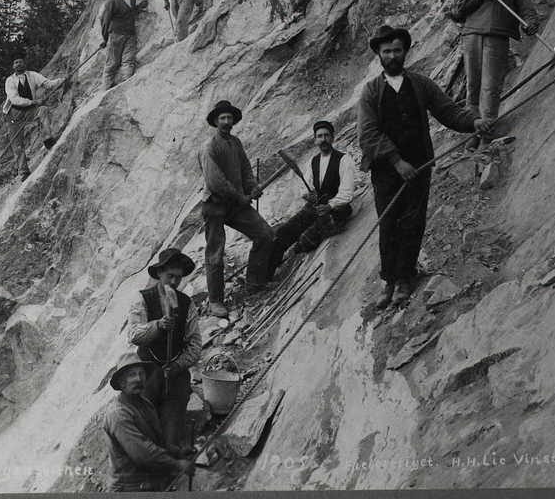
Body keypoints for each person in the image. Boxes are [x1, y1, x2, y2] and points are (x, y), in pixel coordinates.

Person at [357, 26, 493, 309]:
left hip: (419, 165)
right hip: (386, 170)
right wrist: (396, 161)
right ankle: (389, 280)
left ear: (405, 51)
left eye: (397, 50)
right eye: (386, 51)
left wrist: (473, 123)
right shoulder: (371, 91)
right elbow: (367, 134)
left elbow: (448, 110)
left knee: (413, 221)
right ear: (378, 56)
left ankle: (405, 278)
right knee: (389, 222)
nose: (392, 56)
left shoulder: (420, 83)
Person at [449, 0, 539, 144]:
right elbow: (460, 6)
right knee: (473, 85)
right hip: (472, 34)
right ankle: (473, 132)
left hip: (497, 35)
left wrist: (531, 22)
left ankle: (487, 134)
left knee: (490, 86)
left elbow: (526, 7)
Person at [198, 99, 274, 318]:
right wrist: (239, 196)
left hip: (236, 204)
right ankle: (215, 302)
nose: (226, 122)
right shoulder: (209, 146)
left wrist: (253, 186)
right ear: (215, 121)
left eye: (229, 118)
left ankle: (254, 285)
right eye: (222, 118)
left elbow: (245, 168)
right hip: (214, 205)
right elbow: (215, 182)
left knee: (266, 234)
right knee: (216, 253)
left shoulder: (236, 143)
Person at [128, 248, 202, 447]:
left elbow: (195, 344)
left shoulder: (187, 303)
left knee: (171, 435)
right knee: (144, 426)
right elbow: (134, 335)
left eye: (178, 278)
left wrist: (179, 365)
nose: (174, 282)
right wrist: (158, 325)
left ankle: (171, 452)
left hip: (173, 373)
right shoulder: (142, 298)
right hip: (146, 370)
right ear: (159, 273)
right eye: (170, 276)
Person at [267, 120, 358, 279]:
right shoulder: (313, 161)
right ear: (315, 139)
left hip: (336, 211)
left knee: (305, 240)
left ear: (332, 138)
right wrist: (307, 195)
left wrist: (330, 206)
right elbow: (305, 187)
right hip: (313, 209)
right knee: (282, 232)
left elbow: (347, 192)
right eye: (320, 136)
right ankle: (266, 276)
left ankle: (300, 246)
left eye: (326, 136)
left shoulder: (344, 160)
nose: (323, 139)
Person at [101, 352, 195, 492]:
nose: (138, 379)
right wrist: (177, 465)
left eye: (142, 374)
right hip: (128, 489)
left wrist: (177, 452)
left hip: (148, 484)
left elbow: (157, 442)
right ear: (122, 383)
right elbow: (143, 454)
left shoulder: (145, 404)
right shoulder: (118, 414)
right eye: (132, 375)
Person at [1, 52, 66, 181]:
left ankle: (48, 139)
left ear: (24, 63)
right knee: (17, 144)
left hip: (29, 110)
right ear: (13, 66)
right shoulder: (10, 80)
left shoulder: (33, 76)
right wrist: (33, 102)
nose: (18, 64)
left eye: (20, 61)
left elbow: (48, 84)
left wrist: (62, 80)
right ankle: (23, 171)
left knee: (43, 110)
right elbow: (14, 99)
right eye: (15, 62)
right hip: (13, 114)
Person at [100, 0, 140, 91]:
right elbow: (105, 20)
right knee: (112, 64)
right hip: (116, 35)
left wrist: (139, 7)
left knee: (128, 62)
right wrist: (105, 38)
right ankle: (103, 92)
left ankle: (126, 89)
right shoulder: (112, 0)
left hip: (130, 34)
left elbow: (130, 12)